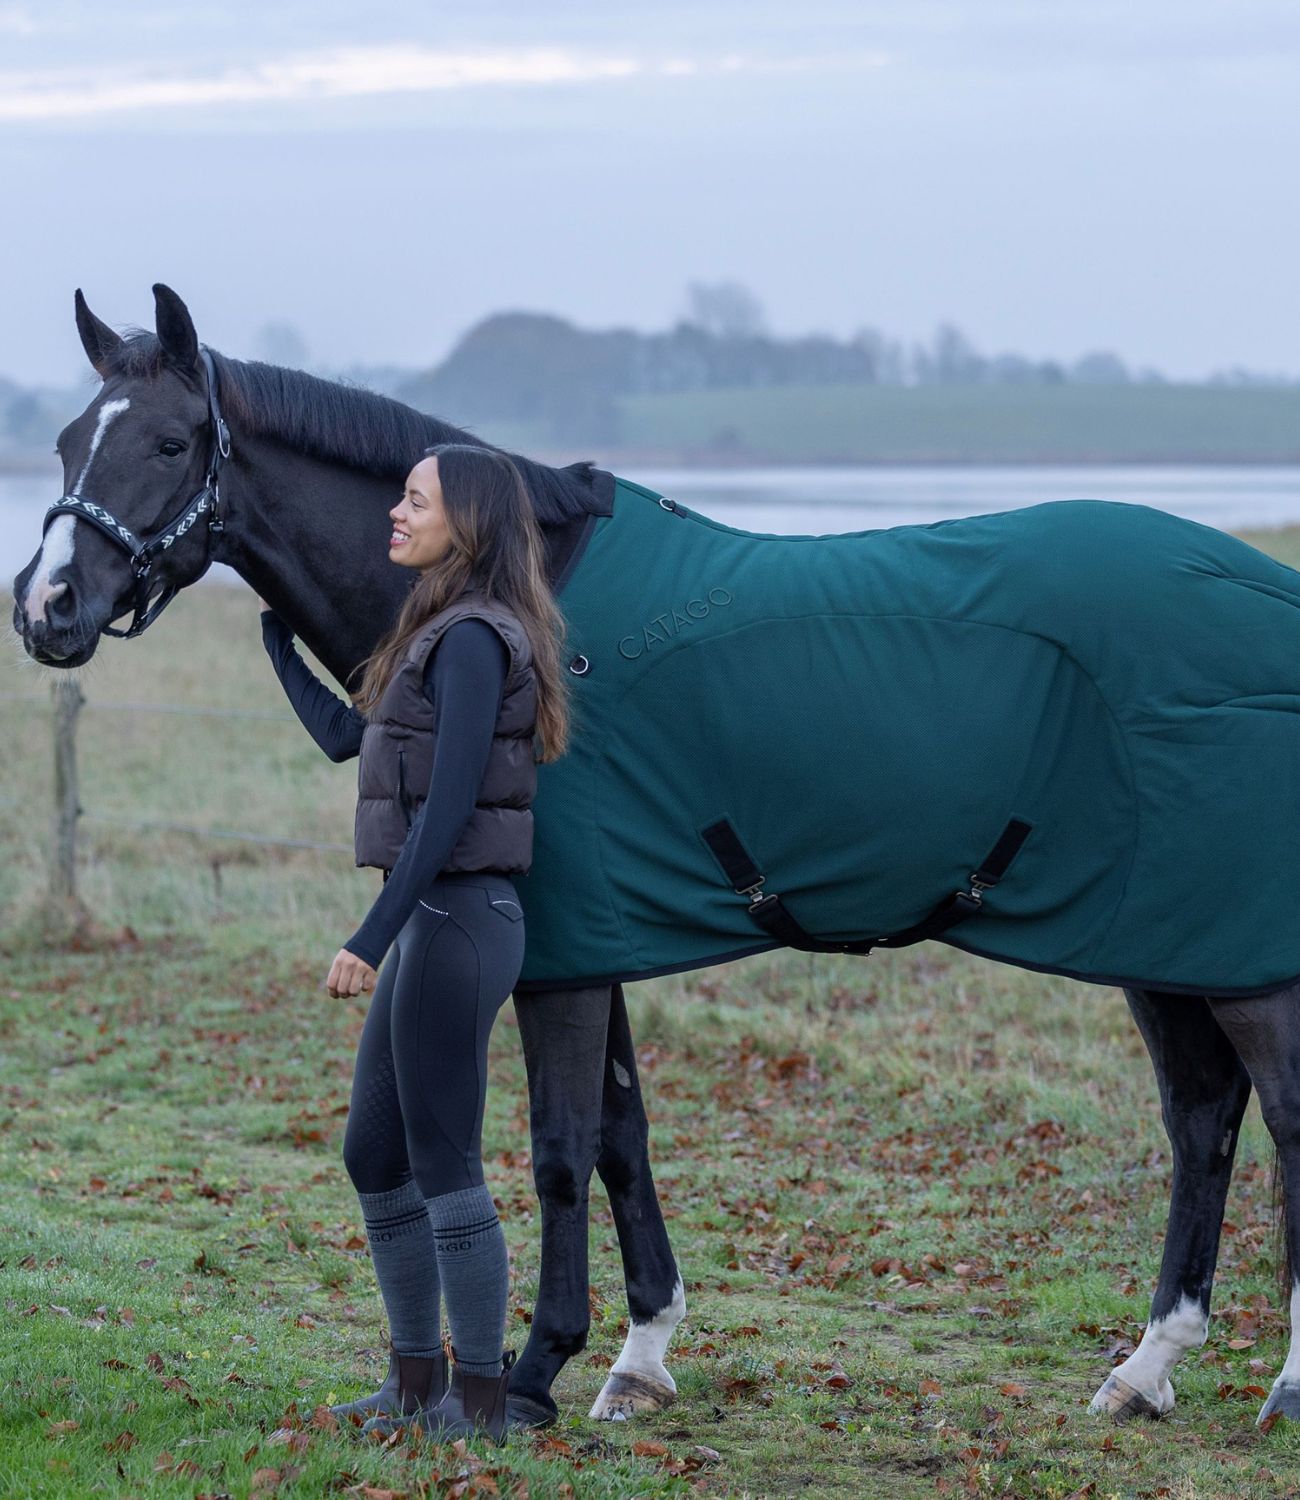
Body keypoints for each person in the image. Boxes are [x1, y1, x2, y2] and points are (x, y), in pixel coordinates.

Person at [256, 442, 569, 1442]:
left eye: (415, 499)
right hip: (432, 920)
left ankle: (478, 1403)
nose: (395, 512)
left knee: (445, 1162)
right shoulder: (437, 627)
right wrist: (278, 648)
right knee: (372, 1152)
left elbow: (445, 812)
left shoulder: (478, 639)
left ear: (465, 522)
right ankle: (413, 1379)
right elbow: (354, 740)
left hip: (459, 921)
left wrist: (370, 935)